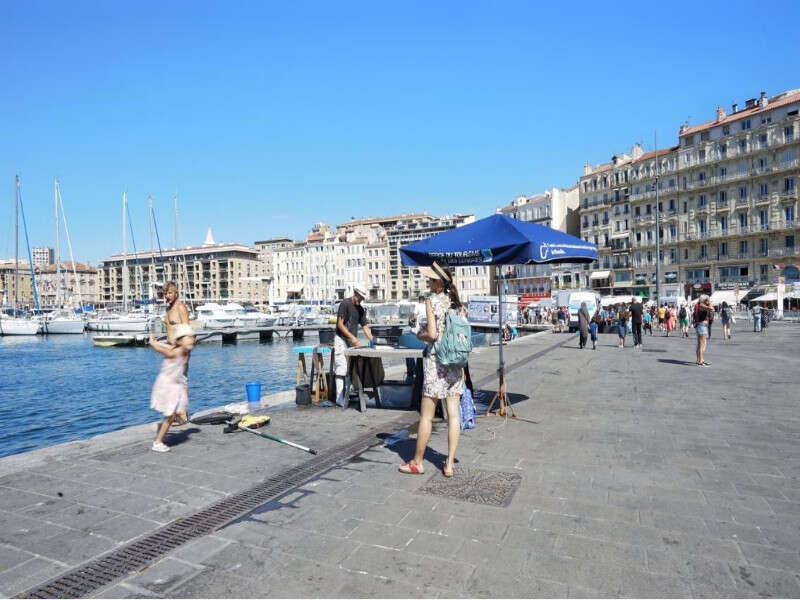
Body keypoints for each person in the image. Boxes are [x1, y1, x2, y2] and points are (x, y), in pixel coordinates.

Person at [400, 263, 465, 478]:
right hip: (456, 363)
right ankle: (449, 464)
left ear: (438, 281)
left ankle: (418, 462)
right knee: (453, 415)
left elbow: (432, 334)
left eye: (430, 279)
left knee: (427, 415)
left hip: (437, 363)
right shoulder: (456, 303)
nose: (428, 282)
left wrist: (419, 335)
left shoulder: (431, 301)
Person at [148, 324, 196, 452]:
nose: (192, 340)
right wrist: (153, 342)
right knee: (171, 414)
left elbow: (169, 345)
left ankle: (161, 428)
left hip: (176, 385)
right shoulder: (173, 352)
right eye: (188, 338)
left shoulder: (186, 351)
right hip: (167, 385)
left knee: (175, 414)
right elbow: (162, 348)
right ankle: (157, 443)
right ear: (179, 341)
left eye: (193, 338)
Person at [334, 286, 374, 406]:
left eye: (362, 298)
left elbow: (365, 327)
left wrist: (373, 340)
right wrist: (352, 337)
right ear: (355, 293)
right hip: (341, 338)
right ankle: (339, 398)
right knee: (341, 367)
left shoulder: (361, 309)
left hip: (352, 341)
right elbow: (340, 325)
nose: (360, 300)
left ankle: (347, 393)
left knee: (350, 368)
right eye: (359, 297)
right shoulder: (344, 304)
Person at [163, 281, 191, 426]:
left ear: (176, 293)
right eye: (165, 293)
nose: (167, 296)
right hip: (171, 350)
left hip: (180, 349)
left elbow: (187, 329)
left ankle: (183, 415)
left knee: (181, 381)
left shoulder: (180, 307)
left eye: (170, 293)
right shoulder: (169, 309)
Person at [694, 295, 714, 367]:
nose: (708, 301)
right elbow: (711, 308)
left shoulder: (700, 305)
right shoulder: (701, 305)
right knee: (701, 345)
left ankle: (700, 360)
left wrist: (708, 302)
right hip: (702, 325)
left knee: (700, 344)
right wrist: (709, 303)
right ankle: (701, 361)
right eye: (707, 299)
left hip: (701, 325)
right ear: (704, 300)